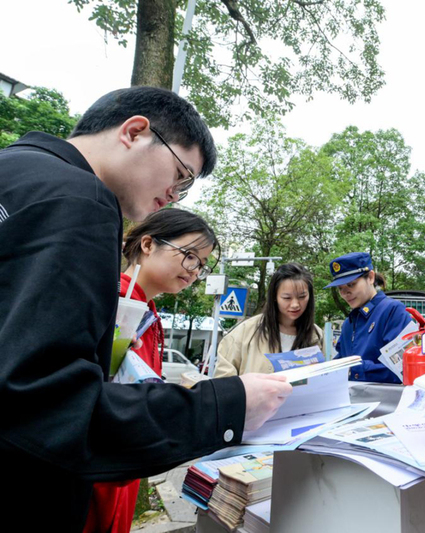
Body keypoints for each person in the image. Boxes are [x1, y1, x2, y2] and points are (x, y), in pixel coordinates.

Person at [0, 87, 292, 532]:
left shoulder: (15, 170)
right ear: (135, 131)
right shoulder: (81, 199)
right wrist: (225, 407)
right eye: (179, 174)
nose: (175, 194)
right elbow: (44, 403)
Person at [83, 208, 219, 533]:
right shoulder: (114, 298)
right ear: (147, 244)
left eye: (201, 264)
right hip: (96, 471)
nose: (195, 271)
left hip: (121, 466)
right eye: (189, 256)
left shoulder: (147, 308)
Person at [214, 263, 324, 377]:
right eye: (287, 298)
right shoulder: (246, 331)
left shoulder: (317, 335)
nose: (295, 304)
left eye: (302, 297)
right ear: (274, 297)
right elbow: (223, 378)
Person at [327, 252, 412, 383]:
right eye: (340, 288)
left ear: (371, 277)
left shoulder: (393, 311)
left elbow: (403, 369)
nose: (345, 294)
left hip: (387, 400)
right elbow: (342, 359)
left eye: (351, 284)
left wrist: (353, 370)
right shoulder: (348, 323)